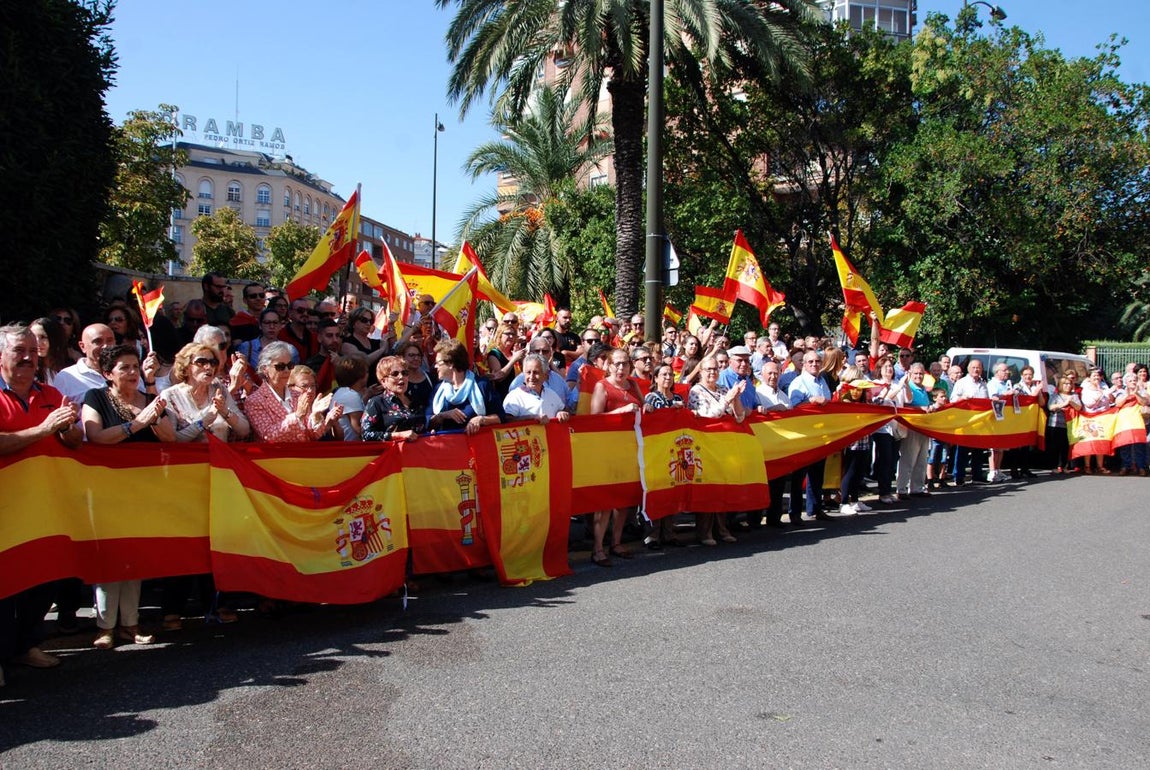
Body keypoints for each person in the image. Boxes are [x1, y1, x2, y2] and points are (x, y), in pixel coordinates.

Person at [0, 325, 83, 682]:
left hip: (45, 507)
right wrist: (43, 429)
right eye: (20, 350)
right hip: (6, 510)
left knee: (42, 579)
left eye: (34, 351)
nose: (28, 357)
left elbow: (75, 442)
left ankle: (26, 645)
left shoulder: (50, 393)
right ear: (2, 355)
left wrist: (67, 429)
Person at [82, 344, 177, 648]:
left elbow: (170, 437)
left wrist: (153, 415)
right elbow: (96, 436)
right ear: (108, 373)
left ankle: (131, 623)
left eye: (135, 366)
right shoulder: (96, 397)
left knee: (134, 556)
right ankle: (105, 626)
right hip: (107, 488)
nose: (133, 373)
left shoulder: (149, 400)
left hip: (143, 489)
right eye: (124, 368)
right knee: (110, 556)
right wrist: (135, 424)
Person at [588, 348, 645, 565]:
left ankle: (616, 542)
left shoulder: (634, 385)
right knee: (604, 501)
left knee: (624, 500)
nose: (621, 368)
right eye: (617, 364)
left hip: (631, 450)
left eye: (625, 364)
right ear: (608, 365)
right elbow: (594, 420)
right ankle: (597, 548)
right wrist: (619, 413)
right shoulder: (601, 386)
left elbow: (642, 406)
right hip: (606, 450)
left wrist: (646, 406)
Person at [689, 355, 747, 544]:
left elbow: (739, 417)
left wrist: (736, 397)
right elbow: (708, 416)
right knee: (708, 489)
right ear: (701, 372)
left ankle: (722, 529)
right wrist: (726, 400)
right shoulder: (696, 391)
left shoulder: (723, 389)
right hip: (705, 445)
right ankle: (705, 532)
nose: (713, 372)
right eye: (708, 369)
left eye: (715, 369)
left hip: (724, 446)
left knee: (722, 488)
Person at [245, 342, 341, 442]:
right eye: (280, 367)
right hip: (275, 456)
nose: (286, 370)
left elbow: (313, 435)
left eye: (290, 365)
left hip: (302, 455)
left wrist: (316, 415)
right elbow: (268, 436)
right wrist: (297, 416)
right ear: (265, 369)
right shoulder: (254, 401)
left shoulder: (298, 395)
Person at [788, 350, 835, 521]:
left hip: (820, 434)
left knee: (817, 474)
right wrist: (812, 402)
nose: (814, 364)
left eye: (817, 361)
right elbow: (794, 408)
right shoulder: (798, 383)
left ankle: (815, 508)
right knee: (799, 476)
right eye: (811, 362)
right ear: (804, 364)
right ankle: (794, 512)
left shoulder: (822, 381)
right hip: (804, 436)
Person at [428, 339, 499, 434]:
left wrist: (481, 419)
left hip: (477, 445)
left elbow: (500, 417)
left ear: (451, 363)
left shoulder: (481, 385)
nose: (435, 367)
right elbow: (428, 421)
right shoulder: (438, 389)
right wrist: (443, 415)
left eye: (438, 363)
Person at [835, 368, 875, 515]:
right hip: (852, 440)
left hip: (863, 438)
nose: (857, 391)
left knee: (859, 471)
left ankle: (855, 500)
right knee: (850, 471)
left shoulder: (863, 398)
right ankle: (844, 502)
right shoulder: (844, 398)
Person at [361, 356, 428, 441]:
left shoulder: (416, 400)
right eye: (395, 374)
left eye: (404, 373)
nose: (401, 377)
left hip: (416, 452)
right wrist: (397, 435)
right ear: (383, 381)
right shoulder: (376, 403)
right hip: (392, 452)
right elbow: (365, 435)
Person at [894, 362, 933, 499]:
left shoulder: (923, 389)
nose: (918, 376)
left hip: (923, 427)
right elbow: (904, 406)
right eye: (916, 373)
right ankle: (902, 488)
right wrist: (920, 409)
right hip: (911, 427)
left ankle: (917, 487)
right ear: (910, 373)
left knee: (922, 459)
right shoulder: (907, 387)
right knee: (908, 459)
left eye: (921, 373)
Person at [868, 356, 903, 505]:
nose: (889, 369)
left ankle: (888, 490)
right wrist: (897, 389)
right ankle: (883, 492)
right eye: (886, 367)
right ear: (879, 370)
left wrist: (904, 387)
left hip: (896, 427)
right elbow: (880, 402)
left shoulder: (896, 382)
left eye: (891, 366)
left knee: (893, 459)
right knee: (885, 459)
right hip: (882, 429)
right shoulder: (876, 384)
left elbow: (906, 400)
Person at [503, 354, 570, 423]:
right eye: (528, 372)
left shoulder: (551, 393)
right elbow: (507, 420)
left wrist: (561, 413)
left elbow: (565, 410)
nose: (531, 377)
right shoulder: (514, 396)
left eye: (536, 372)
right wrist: (532, 418)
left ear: (545, 375)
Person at [341, 307, 387, 385]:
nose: (368, 324)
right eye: (364, 320)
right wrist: (382, 349)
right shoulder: (347, 342)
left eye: (371, 321)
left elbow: (396, 350)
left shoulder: (375, 342)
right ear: (354, 323)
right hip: (360, 390)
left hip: (379, 388)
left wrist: (391, 325)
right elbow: (363, 362)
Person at [1079, 367, 1112, 473]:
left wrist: (1105, 392)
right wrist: (1099, 395)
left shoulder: (1104, 387)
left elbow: (1111, 400)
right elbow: (1089, 404)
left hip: (1103, 418)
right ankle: (1087, 466)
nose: (1097, 377)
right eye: (1094, 376)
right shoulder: (1086, 389)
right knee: (1089, 442)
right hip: (1090, 418)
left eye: (1098, 375)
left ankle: (1100, 466)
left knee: (1101, 442)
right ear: (1089, 378)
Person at [1046, 374, 1080, 474]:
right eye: (1065, 384)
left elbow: (1079, 407)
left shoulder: (1074, 396)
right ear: (1061, 385)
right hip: (1055, 424)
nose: (1068, 386)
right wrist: (1064, 404)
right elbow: (1050, 407)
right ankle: (1055, 466)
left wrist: (1071, 402)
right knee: (1055, 446)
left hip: (1069, 425)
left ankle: (1064, 465)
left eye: (1069, 384)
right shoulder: (1055, 395)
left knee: (1065, 446)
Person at [331, 355, 368, 441]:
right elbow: (359, 430)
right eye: (367, 372)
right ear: (360, 375)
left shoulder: (342, 392)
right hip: (353, 449)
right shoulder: (351, 396)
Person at [29, 316, 71, 385]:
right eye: (33, 337)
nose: (37, 342)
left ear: (54, 339)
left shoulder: (69, 369)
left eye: (43, 337)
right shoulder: (28, 371)